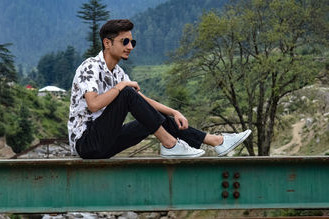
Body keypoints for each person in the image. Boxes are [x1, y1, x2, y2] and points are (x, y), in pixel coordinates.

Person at [67, 19, 251, 159]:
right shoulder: (90, 67)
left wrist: (174, 111)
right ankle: (170, 144)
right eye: (125, 42)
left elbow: (143, 102)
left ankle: (216, 141)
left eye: (132, 42)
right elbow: (93, 105)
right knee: (128, 93)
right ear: (107, 43)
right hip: (86, 143)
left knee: (153, 117)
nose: (130, 47)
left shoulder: (118, 73)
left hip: (107, 143)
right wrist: (121, 87)